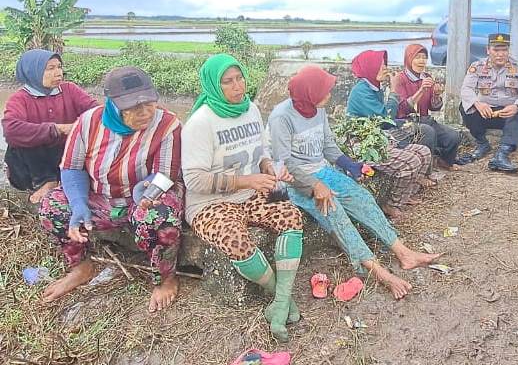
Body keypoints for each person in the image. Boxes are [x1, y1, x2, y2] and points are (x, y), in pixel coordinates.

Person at [269, 65, 439, 299]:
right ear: (309, 92)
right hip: (296, 182)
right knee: (335, 212)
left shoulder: (317, 110)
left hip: (323, 172)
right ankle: (379, 272)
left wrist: (351, 165)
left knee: (363, 198)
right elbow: (283, 161)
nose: (329, 96)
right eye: (325, 91)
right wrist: (314, 186)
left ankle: (403, 253)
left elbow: (328, 146)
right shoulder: (281, 117)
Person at [180, 54, 304, 341]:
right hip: (209, 203)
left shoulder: (250, 109)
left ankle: (281, 303)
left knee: (290, 215)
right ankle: (282, 298)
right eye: (227, 82)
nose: (238, 87)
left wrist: (271, 170)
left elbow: (261, 154)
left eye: (240, 78)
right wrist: (247, 180)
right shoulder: (201, 123)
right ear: (213, 85)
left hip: (250, 193)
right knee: (237, 241)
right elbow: (194, 180)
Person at [39, 67, 183, 312]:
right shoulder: (88, 122)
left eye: (148, 103)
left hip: (142, 198)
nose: (145, 112)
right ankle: (81, 265)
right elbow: (72, 169)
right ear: (114, 104)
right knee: (51, 206)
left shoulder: (167, 124)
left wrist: (146, 192)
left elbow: (165, 173)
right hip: (100, 198)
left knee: (161, 216)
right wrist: (79, 205)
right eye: (134, 107)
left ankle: (166, 278)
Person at [345, 50, 434, 219]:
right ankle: (392, 205)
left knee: (424, 152)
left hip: (378, 139)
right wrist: (394, 90)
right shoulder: (361, 91)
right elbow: (386, 120)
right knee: (410, 162)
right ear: (370, 68)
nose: (385, 68)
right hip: (362, 145)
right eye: (381, 65)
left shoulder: (374, 87)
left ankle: (406, 195)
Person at [3, 50, 97, 204]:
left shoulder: (69, 89)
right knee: (22, 138)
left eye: (59, 67)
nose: (58, 73)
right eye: (50, 68)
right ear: (32, 71)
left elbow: (95, 111)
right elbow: (10, 129)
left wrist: (81, 125)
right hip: (32, 166)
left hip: (65, 156)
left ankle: (60, 181)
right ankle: (46, 182)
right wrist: (56, 129)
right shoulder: (19, 99)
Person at [458, 33, 518, 173]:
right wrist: (477, 104)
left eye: (504, 50)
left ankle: (502, 154)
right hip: (486, 113)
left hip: (508, 115)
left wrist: (516, 106)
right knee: (465, 106)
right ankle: (482, 144)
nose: (500, 54)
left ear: (508, 51)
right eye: (496, 50)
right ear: (488, 50)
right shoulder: (477, 66)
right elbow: (466, 89)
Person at [388, 44, 463, 168]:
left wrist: (437, 95)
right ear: (409, 59)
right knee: (428, 132)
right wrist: (421, 90)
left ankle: (444, 161)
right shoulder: (400, 79)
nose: (421, 61)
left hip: (425, 119)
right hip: (406, 122)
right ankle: (425, 170)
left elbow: (434, 107)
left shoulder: (427, 77)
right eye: (417, 57)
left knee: (453, 136)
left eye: (424, 57)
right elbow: (402, 109)